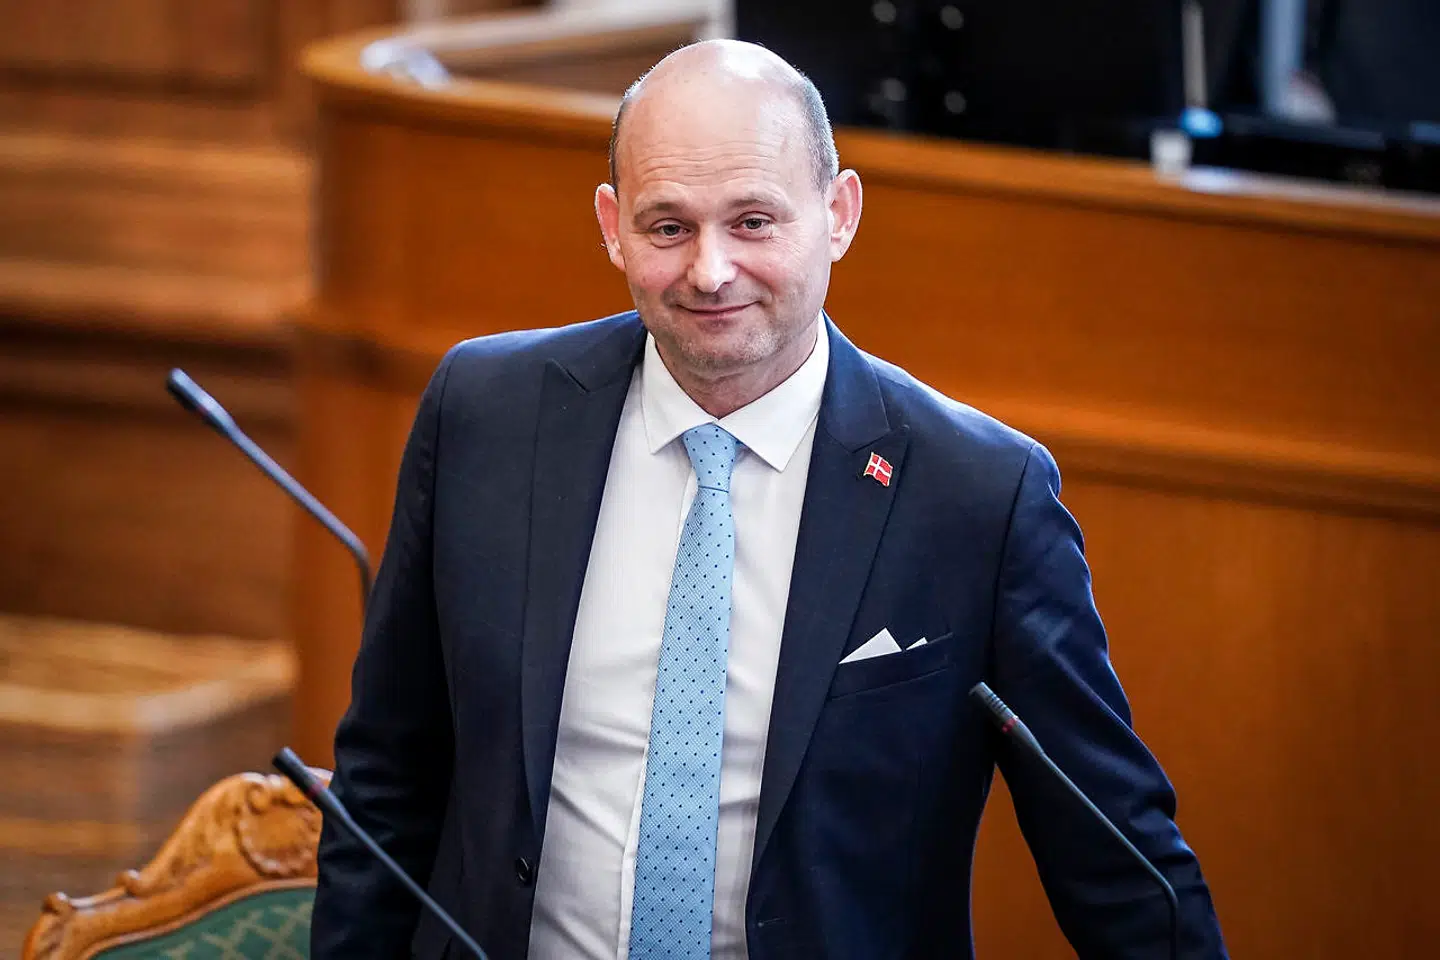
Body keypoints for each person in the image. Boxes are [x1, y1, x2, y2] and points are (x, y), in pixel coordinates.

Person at [312, 39, 1227, 960]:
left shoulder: (979, 495)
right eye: (668, 227)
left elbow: (1119, 863)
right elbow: (388, 776)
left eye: (753, 221)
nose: (710, 272)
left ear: (838, 214)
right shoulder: (485, 412)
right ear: (611, 225)